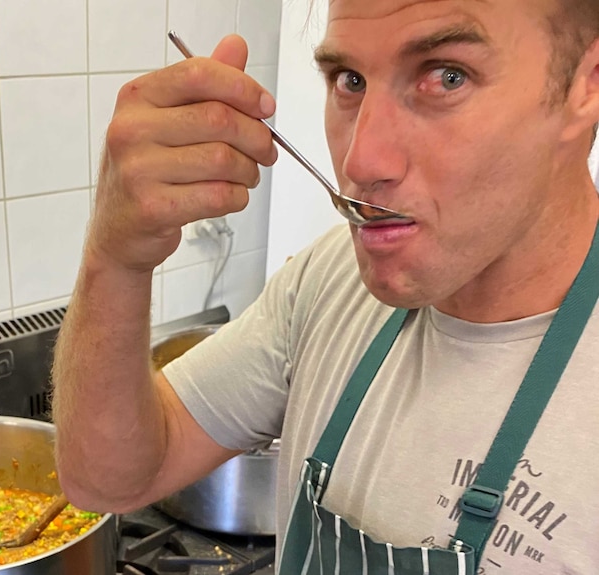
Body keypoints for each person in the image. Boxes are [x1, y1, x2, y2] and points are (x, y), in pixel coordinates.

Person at [51, 0, 599, 572]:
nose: (361, 161)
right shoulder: (329, 279)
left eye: (447, 76)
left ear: (587, 84)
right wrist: (115, 260)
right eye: (351, 80)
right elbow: (107, 480)